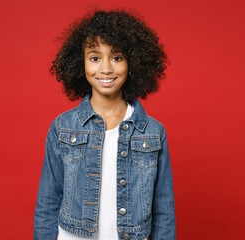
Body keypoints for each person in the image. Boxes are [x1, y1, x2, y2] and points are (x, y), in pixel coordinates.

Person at [34, 9, 175, 240]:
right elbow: (47, 203)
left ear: (134, 62)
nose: (106, 68)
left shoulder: (152, 132)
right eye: (95, 57)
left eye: (117, 57)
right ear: (81, 63)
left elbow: (164, 211)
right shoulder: (63, 127)